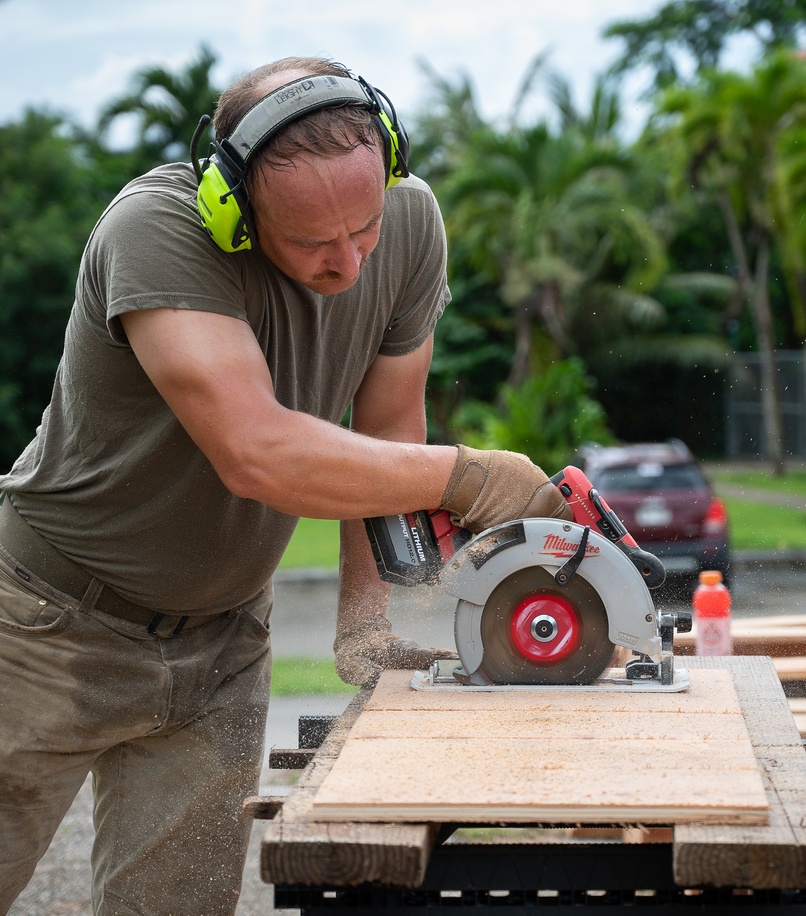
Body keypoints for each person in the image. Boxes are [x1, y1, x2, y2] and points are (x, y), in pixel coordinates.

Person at [0, 57, 570, 915]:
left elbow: (385, 432)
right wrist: (476, 476)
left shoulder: (410, 223)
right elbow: (257, 450)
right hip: (46, 627)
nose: (347, 262)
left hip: (224, 647)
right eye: (311, 241)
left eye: (364, 226)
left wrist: (371, 624)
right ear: (232, 203)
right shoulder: (156, 231)